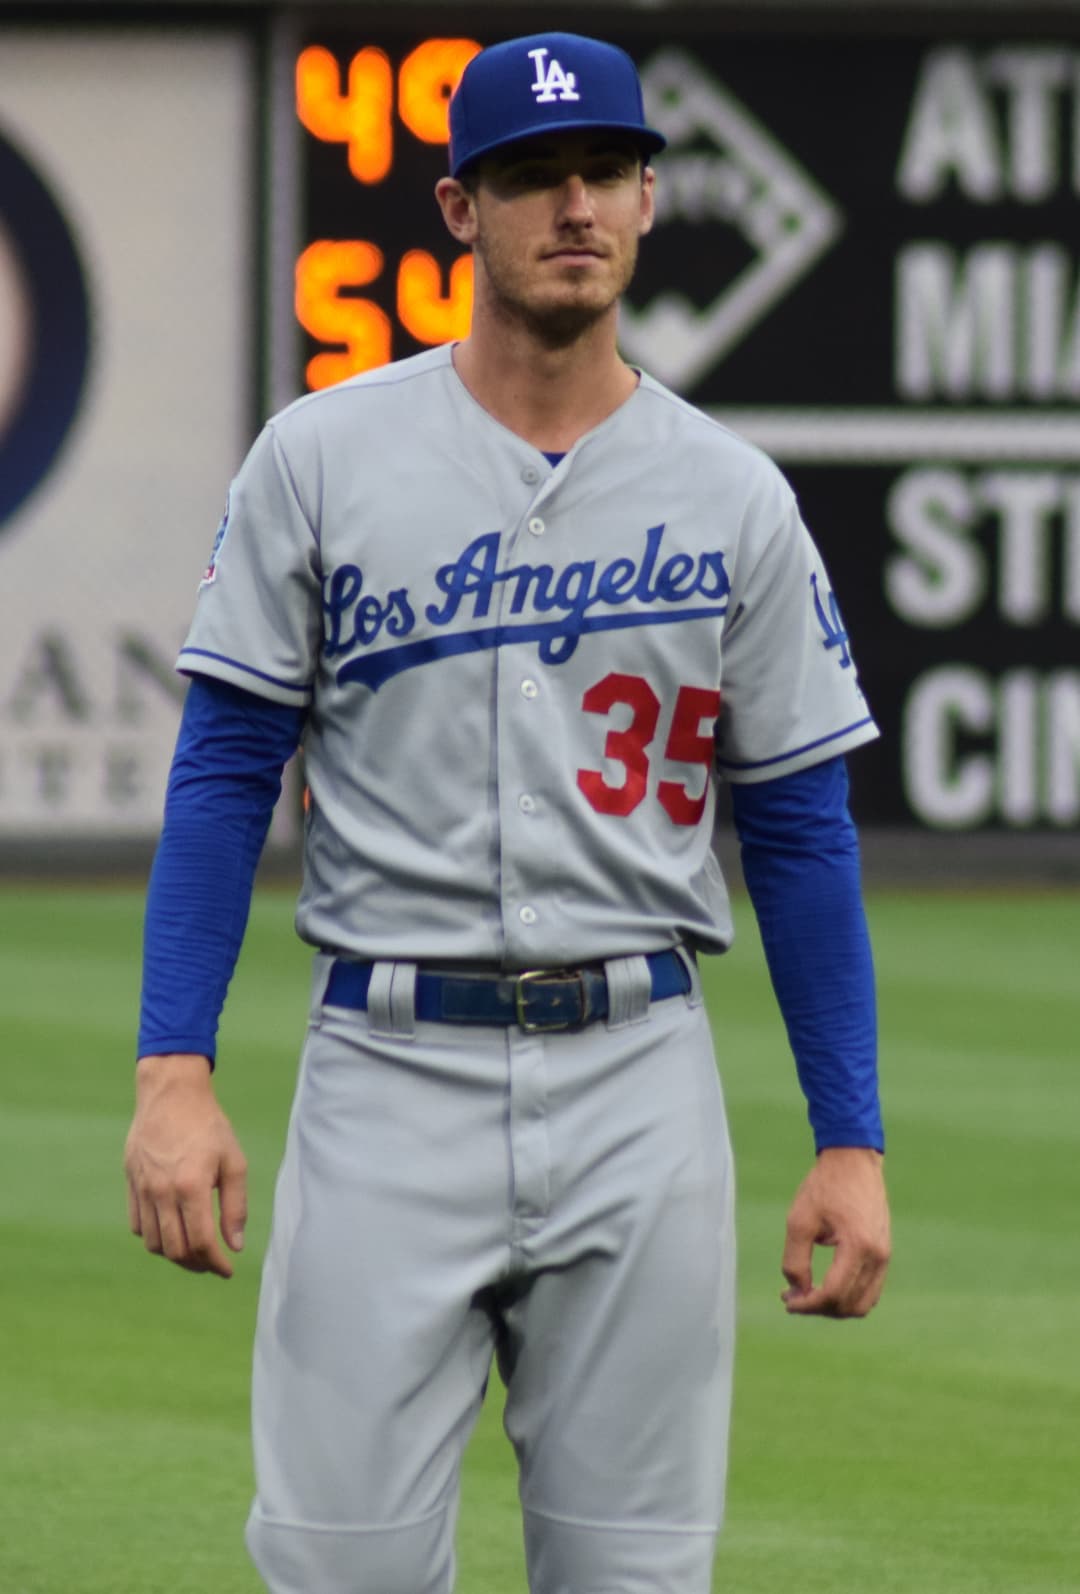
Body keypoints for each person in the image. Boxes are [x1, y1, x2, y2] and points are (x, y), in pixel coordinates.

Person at [124, 30, 891, 1594]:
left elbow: (803, 832)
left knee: (635, 1577)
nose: (573, 205)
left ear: (651, 198)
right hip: (385, 1065)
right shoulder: (323, 456)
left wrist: (851, 1136)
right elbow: (221, 771)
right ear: (460, 208)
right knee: (338, 1569)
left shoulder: (733, 494)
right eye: (531, 177)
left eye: (602, 170)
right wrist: (173, 1069)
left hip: (638, 1077)